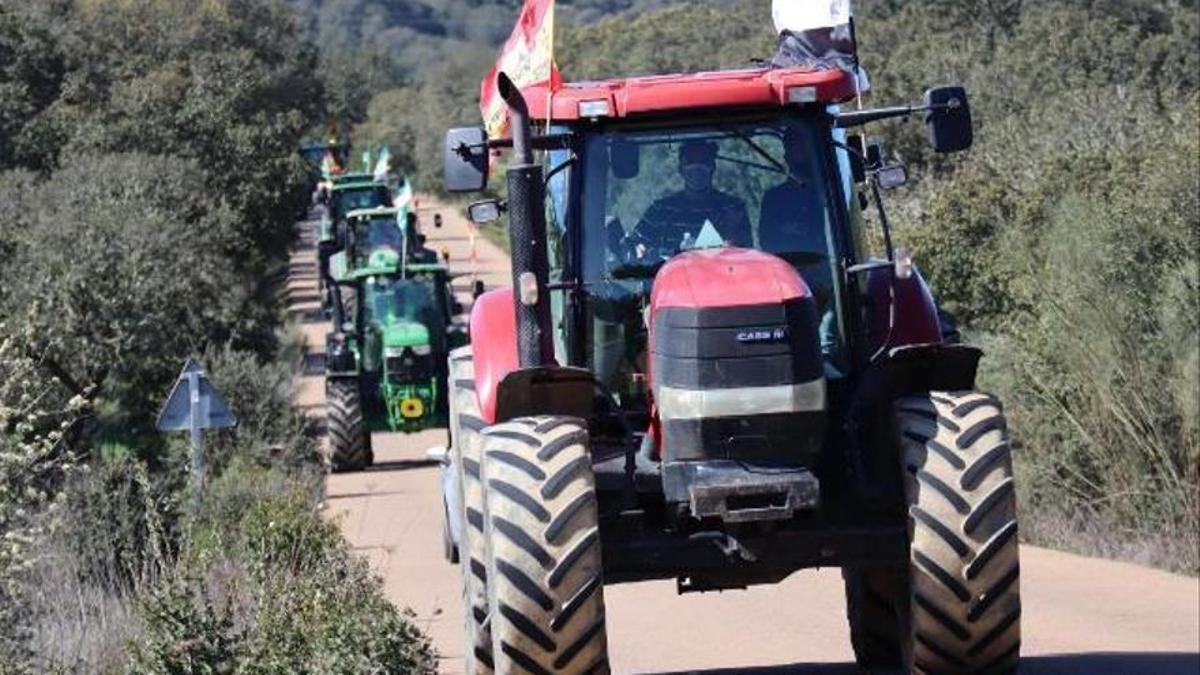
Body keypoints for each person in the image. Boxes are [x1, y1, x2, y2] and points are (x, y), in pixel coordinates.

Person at [629, 140, 752, 257]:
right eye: (690, 162)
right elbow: (637, 248)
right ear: (680, 169)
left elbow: (744, 253)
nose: (697, 168)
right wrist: (646, 252)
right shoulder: (660, 210)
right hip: (670, 278)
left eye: (703, 162)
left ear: (712, 167)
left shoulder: (732, 208)